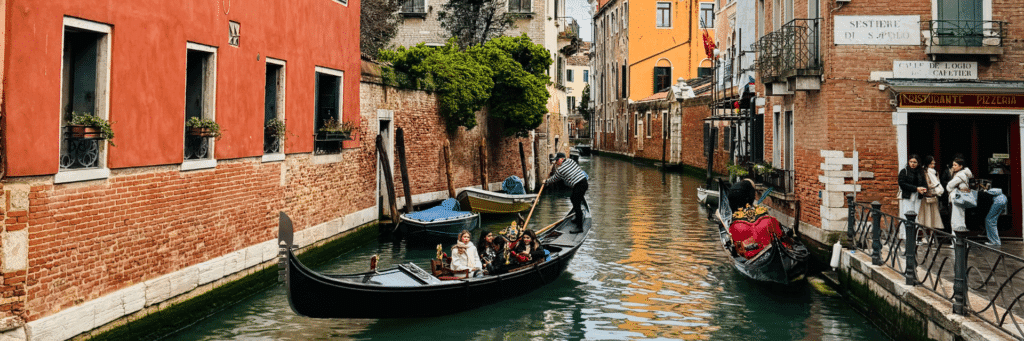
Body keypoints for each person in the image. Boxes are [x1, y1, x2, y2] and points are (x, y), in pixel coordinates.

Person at [544, 152, 589, 233]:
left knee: (576, 203)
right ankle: (577, 217)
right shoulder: (571, 161)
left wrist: (546, 181)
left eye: (557, 160)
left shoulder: (560, 170)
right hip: (584, 182)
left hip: (579, 185)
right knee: (573, 199)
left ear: (561, 159)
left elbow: (554, 179)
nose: (556, 162)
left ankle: (579, 227)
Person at [897, 154, 927, 240]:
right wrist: (916, 188)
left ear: (918, 163)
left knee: (916, 216)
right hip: (908, 196)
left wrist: (923, 189)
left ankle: (914, 236)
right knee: (906, 215)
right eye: (911, 162)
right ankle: (905, 235)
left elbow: (924, 184)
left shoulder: (921, 172)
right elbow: (902, 184)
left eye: (915, 162)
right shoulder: (904, 171)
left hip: (918, 197)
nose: (912, 164)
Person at [945, 158, 973, 240]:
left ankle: (957, 241)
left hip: (957, 198)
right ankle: (960, 240)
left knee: (956, 219)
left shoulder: (960, 175)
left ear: (961, 166)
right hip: (961, 198)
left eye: (955, 165)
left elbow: (949, 186)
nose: (953, 167)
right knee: (960, 218)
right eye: (953, 165)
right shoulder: (963, 174)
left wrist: (951, 189)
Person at [917, 156, 944, 237]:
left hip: (934, 195)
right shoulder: (924, 172)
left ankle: (932, 236)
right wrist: (933, 186)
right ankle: (924, 236)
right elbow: (925, 184)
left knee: (933, 217)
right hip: (926, 197)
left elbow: (938, 182)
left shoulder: (935, 172)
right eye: (931, 163)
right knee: (925, 217)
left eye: (934, 163)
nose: (933, 165)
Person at [981, 182, 1007, 246]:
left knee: (989, 220)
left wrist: (985, 191)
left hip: (998, 201)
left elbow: (985, 194)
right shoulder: (998, 190)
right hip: (1003, 200)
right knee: (992, 221)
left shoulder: (991, 190)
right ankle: (996, 241)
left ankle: (993, 241)